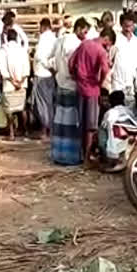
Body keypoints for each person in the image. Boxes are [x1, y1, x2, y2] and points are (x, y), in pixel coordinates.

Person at [69, 27, 115, 166]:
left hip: (80, 87)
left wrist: (75, 76)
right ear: (107, 39)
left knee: (81, 122)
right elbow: (106, 70)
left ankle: (80, 153)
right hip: (92, 89)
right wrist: (100, 83)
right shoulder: (100, 51)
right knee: (91, 125)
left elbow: (71, 62)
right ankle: (87, 158)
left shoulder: (84, 44)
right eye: (109, 44)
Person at [51, 17, 89, 165]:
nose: (85, 35)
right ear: (79, 29)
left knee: (60, 119)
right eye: (84, 32)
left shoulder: (60, 40)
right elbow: (74, 65)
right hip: (71, 84)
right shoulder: (75, 44)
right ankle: (69, 156)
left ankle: (58, 153)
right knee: (71, 122)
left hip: (61, 82)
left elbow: (53, 61)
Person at [0, 29, 30, 141]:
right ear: (16, 38)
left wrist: (12, 81)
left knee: (9, 109)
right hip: (22, 83)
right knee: (22, 108)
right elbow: (27, 67)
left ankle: (11, 133)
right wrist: (20, 82)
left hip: (9, 84)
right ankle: (25, 130)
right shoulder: (22, 50)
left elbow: (2, 69)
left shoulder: (4, 50)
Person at [111, 12, 137, 108]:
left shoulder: (136, 41)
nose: (128, 28)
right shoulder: (116, 39)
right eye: (126, 26)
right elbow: (110, 58)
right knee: (117, 109)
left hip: (130, 82)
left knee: (130, 111)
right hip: (117, 82)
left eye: (130, 25)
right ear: (121, 25)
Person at [32, 17, 57, 136]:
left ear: (43, 27)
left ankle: (44, 129)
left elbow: (39, 56)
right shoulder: (55, 38)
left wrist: (47, 65)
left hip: (42, 73)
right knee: (49, 102)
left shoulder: (44, 38)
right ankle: (50, 128)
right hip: (50, 74)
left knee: (41, 103)